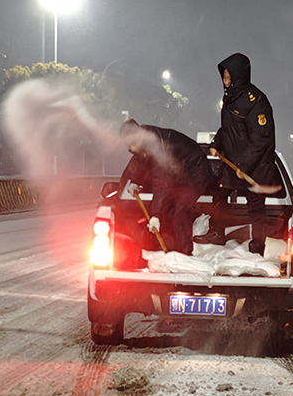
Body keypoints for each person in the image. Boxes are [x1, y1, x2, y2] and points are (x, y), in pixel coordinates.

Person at [210, 52, 281, 255]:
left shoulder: (256, 101)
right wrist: (216, 143)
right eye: (224, 77)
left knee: (256, 210)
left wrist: (243, 166)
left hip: (256, 167)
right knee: (219, 194)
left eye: (229, 77)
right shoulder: (230, 97)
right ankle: (216, 233)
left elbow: (260, 140)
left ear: (239, 76)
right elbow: (227, 128)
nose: (225, 81)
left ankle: (256, 248)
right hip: (234, 163)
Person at [117, 119, 214, 255]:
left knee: (179, 210)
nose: (130, 149)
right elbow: (140, 162)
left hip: (195, 175)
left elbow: (161, 183)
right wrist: (134, 181)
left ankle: (184, 253)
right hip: (178, 176)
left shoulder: (157, 146)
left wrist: (155, 215)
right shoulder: (145, 139)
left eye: (131, 144)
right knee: (165, 208)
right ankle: (163, 247)